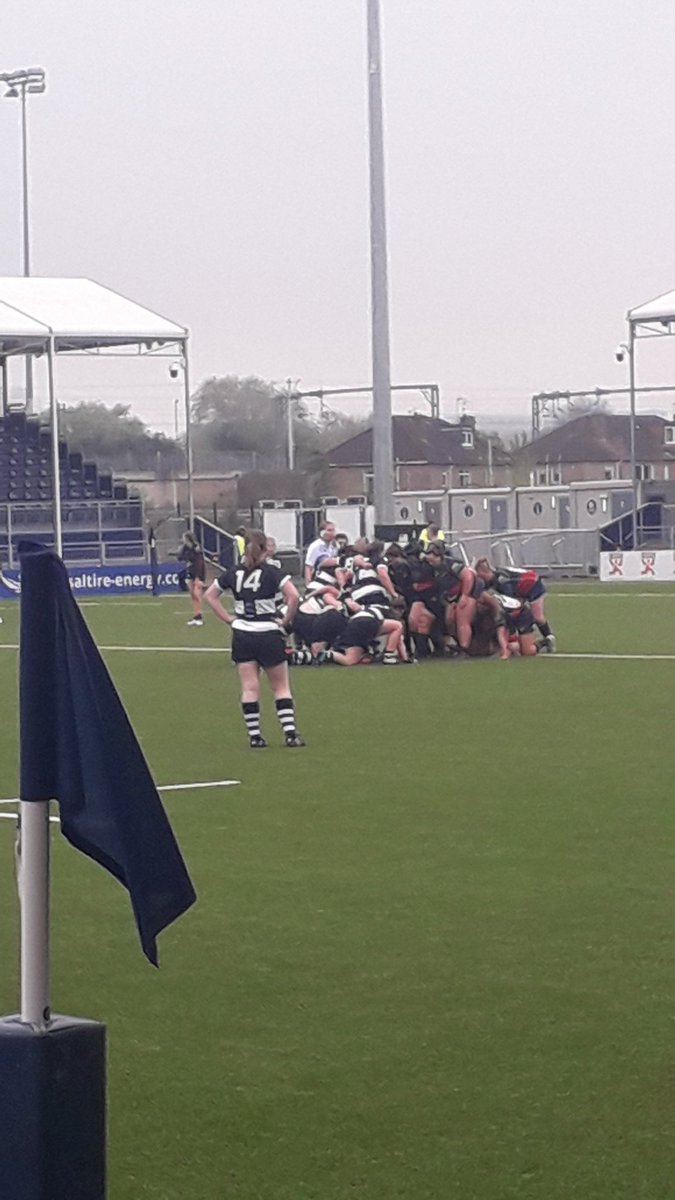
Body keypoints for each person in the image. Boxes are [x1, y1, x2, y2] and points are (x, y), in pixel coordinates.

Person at [204, 529, 305, 748]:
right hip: (268, 631)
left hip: (242, 632)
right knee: (280, 686)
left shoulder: (233, 572)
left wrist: (228, 619)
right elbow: (294, 596)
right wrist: (285, 620)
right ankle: (290, 734)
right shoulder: (272, 572)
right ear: (264, 549)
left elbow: (209, 595)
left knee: (250, 687)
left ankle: (255, 736)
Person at [474, 558, 555, 652]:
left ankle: (548, 637)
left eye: (479, 576)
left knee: (537, 616)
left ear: (484, 573)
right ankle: (518, 637)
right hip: (522, 586)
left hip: (534, 585)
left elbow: (512, 603)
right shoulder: (494, 576)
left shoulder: (502, 582)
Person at [177, 531, 207, 626]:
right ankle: (196, 615)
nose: (183, 540)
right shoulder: (186, 548)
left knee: (197, 594)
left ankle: (200, 617)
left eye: (184, 538)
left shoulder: (196, 549)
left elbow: (199, 563)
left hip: (198, 573)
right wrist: (182, 549)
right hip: (190, 572)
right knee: (193, 595)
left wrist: (198, 577)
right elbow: (180, 557)